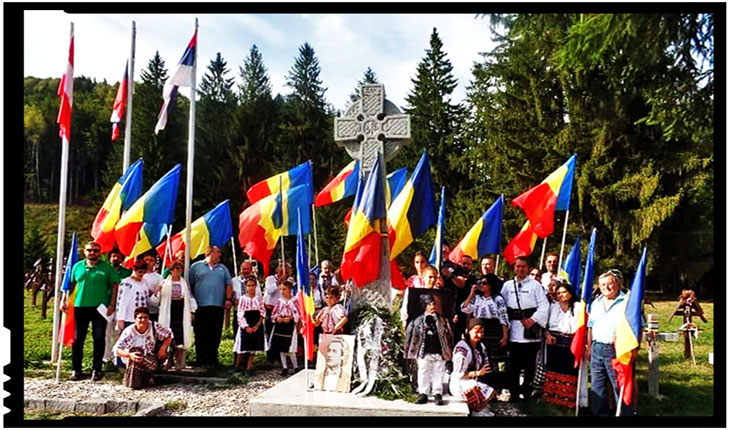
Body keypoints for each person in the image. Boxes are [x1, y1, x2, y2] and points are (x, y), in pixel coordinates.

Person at [63, 241, 120, 381]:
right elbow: (69, 285)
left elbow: (115, 285)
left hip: (99, 308)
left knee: (99, 338)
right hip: (80, 307)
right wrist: (63, 300)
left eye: (95, 250)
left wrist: (112, 304)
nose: (92, 253)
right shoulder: (77, 267)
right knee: (78, 339)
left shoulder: (107, 268)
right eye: (90, 250)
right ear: (85, 252)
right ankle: (76, 370)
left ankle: (97, 369)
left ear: (100, 252)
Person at [500, 256, 549, 403]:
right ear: (514, 268)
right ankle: (514, 394)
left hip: (530, 332)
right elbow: (501, 306)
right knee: (513, 366)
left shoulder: (535, 286)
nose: (520, 269)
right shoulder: (508, 286)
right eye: (517, 266)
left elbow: (544, 306)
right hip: (513, 332)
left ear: (528, 268)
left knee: (529, 366)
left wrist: (532, 319)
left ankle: (527, 392)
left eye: (523, 267)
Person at [587, 270, 634, 416]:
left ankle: (624, 413)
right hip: (596, 348)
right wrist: (589, 347)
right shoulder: (596, 302)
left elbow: (635, 328)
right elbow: (591, 326)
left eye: (609, 284)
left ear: (617, 284)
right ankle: (600, 413)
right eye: (602, 285)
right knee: (597, 385)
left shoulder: (627, 302)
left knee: (619, 385)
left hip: (616, 349)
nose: (606, 287)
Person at [461, 273, 509, 392]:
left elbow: (503, 318)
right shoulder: (477, 299)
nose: (481, 285)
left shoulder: (498, 299)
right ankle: (482, 384)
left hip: (493, 329)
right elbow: (465, 308)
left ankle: (495, 387)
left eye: (484, 283)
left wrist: (504, 336)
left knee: (494, 359)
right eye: (480, 283)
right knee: (481, 356)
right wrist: (471, 294)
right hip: (479, 327)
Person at [405, 294, 454, 406]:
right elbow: (411, 335)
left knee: (439, 371)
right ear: (424, 306)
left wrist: (448, 348)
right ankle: (423, 393)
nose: (432, 306)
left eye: (433, 304)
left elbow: (449, 335)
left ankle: (437, 393)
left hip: (439, 349)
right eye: (429, 304)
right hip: (424, 350)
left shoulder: (442, 320)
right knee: (423, 371)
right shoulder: (418, 321)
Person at [188, 246, 233, 367]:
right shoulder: (195, 267)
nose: (220, 255)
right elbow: (189, 285)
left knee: (215, 332)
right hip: (200, 306)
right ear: (210, 253)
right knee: (201, 333)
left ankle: (213, 358)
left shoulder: (223, 268)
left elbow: (228, 284)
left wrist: (228, 299)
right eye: (218, 252)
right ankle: (201, 359)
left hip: (218, 306)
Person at [113, 306, 173, 389]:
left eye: (146, 317)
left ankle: (137, 380)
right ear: (135, 319)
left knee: (139, 356)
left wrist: (163, 348)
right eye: (140, 317)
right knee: (136, 355)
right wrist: (129, 355)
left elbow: (169, 334)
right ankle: (142, 381)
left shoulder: (154, 326)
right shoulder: (129, 331)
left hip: (151, 358)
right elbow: (117, 350)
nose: (143, 320)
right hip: (132, 358)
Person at [153, 260, 197, 371]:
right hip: (168, 310)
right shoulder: (164, 283)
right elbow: (155, 300)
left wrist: (192, 311)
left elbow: (190, 297)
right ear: (171, 270)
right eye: (176, 268)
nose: (178, 271)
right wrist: (157, 290)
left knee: (180, 337)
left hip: (181, 310)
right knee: (168, 335)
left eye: (180, 269)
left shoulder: (185, 283)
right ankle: (167, 361)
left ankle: (180, 362)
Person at [450, 319, 498, 417]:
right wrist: (477, 373)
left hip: (475, 379)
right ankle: (477, 410)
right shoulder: (462, 348)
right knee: (474, 389)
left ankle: (480, 409)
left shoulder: (481, 346)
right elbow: (459, 374)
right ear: (469, 331)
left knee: (492, 388)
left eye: (482, 332)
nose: (480, 335)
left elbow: (486, 365)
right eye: (477, 331)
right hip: (459, 382)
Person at [542, 281, 580, 408]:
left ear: (570, 293)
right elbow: (545, 325)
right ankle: (552, 398)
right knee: (553, 369)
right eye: (558, 293)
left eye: (564, 292)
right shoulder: (553, 307)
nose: (561, 295)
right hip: (554, 342)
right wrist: (547, 335)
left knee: (568, 370)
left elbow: (583, 327)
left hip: (571, 343)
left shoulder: (578, 307)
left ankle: (567, 399)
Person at [232, 276, 266, 376]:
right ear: (246, 287)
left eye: (252, 285)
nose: (251, 288)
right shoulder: (243, 299)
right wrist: (245, 326)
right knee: (241, 347)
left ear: (256, 286)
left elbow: (262, 312)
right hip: (246, 323)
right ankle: (237, 366)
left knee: (252, 348)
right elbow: (240, 313)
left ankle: (248, 368)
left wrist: (257, 326)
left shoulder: (259, 299)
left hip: (255, 323)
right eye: (249, 286)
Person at [104, 248, 132, 365]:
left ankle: (118, 358)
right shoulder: (105, 270)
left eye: (118, 257)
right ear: (109, 258)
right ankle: (106, 358)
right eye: (113, 256)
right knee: (106, 332)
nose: (116, 258)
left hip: (122, 308)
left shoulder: (127, 273)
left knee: (119, 333)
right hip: (106, 306)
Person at [263, 262, 294, 363]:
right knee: (270, 333)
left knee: (281, 334)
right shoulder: (270, 279)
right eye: (281, 271)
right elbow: (269, 291)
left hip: (283, 310)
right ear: (277, 270)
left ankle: (282, 357)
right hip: (271, 308)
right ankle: (270, 356)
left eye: (286, 272)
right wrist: (279, 282)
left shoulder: (290, 281)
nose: (283, 273)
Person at [268, 280, 299, 376]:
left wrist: (291, 318)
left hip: (290, 326)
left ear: (290, 290)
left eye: (284, 289)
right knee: (281, 347)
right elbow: (274, 313)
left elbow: (299, 314)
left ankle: (295, 366)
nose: (282, 291)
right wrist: (277, 318)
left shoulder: (294, 301)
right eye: (281, 289)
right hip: (280, 326)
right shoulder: (279, 301)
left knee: (291, 347)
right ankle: (284, 367)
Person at [116, 260, 151, 332]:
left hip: (141, 318)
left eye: (144, 272)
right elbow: (122, 301)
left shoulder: (144, 282)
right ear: (134, 270)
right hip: (129, 317)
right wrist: (121, 318)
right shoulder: (127, 282)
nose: (142, 274)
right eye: (140, 272)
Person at [231, 261, 259, 337]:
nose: (245, 271)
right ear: (240, 269)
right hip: (238, 312)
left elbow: (259, 296)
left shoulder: (255, 282)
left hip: (252, 312)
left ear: (251, 270)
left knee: (251, 338)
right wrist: (234, 301)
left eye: (247, 269)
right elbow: (229, 296)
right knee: (238, 336)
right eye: (244, 269)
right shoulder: (234, 281)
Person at [141, 251, 162, 322]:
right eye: (146, 259)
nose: (148, 262)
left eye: (151, 260)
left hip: (153, 311)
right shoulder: (137, 275)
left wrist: (154, 293)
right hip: (140, 310)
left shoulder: (159, 277)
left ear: (154, 263)